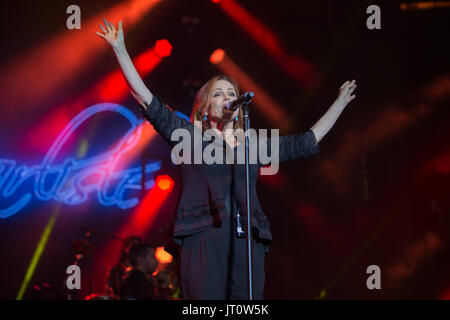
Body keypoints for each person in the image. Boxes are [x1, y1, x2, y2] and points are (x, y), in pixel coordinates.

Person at [96, 19, 357, 299]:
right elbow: (147, 100)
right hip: (204, 235)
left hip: (247, 238)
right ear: (205, 107)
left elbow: (306, 141)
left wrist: (339, 103)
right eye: (218, 93)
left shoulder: (253, 144)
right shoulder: (189, 137)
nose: (227, 97)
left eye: (231, 93)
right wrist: (121, 51)